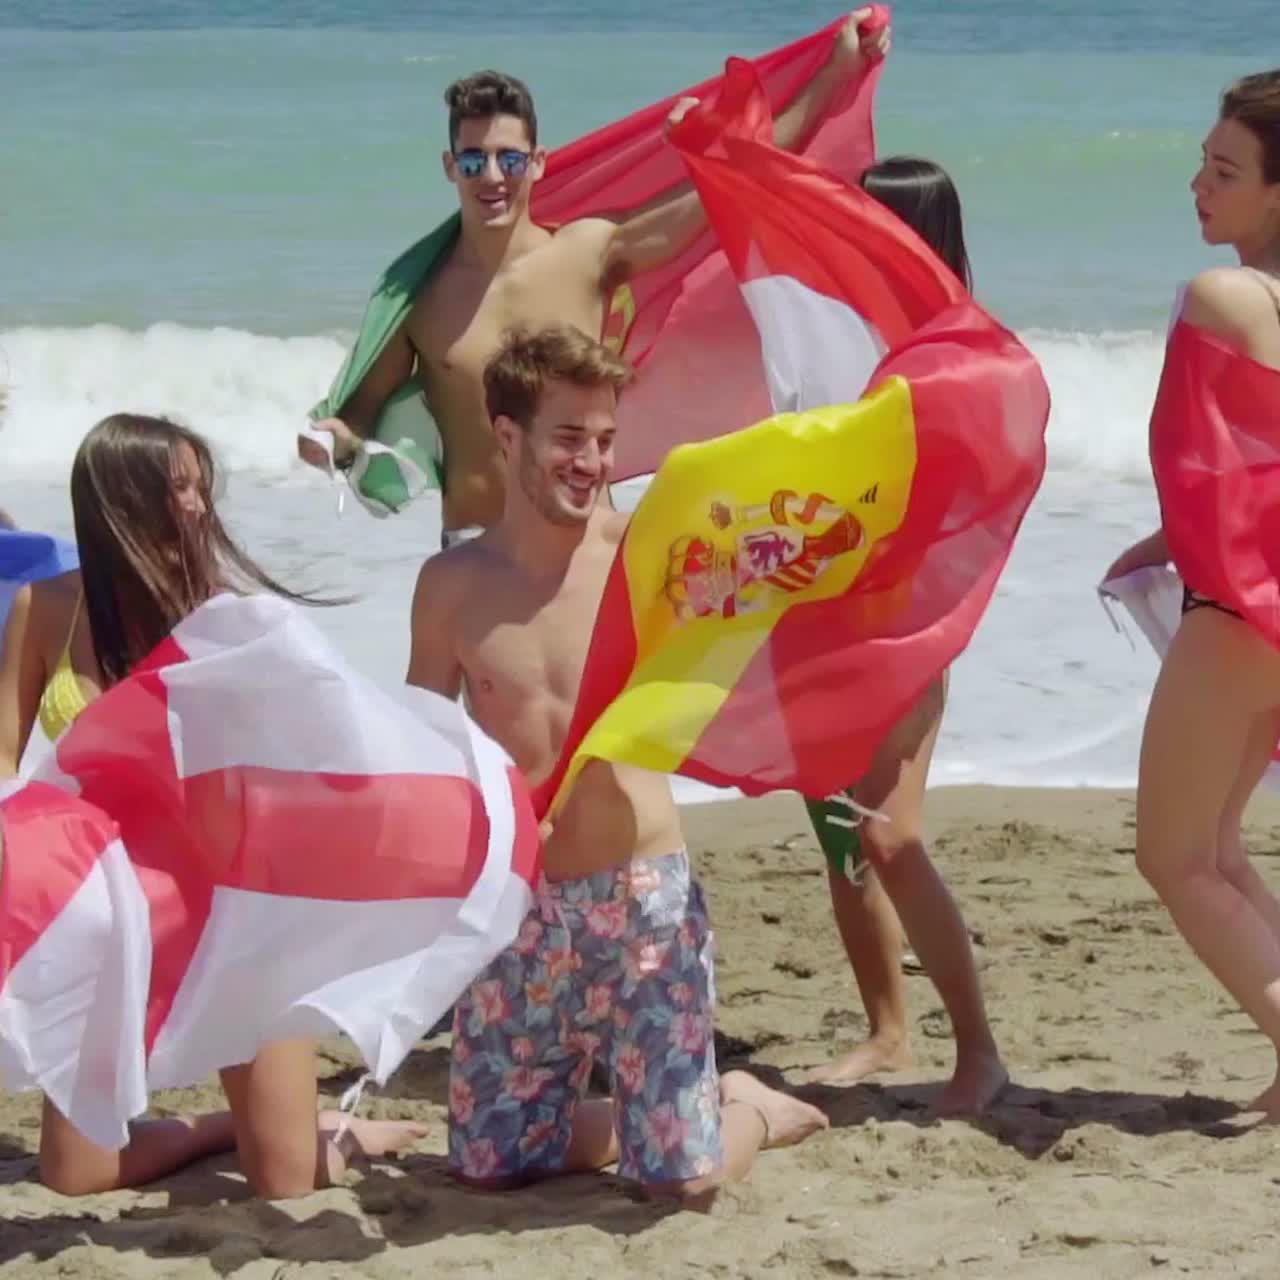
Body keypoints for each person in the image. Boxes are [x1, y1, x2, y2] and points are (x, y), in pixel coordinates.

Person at [407, 326, 829, 1200]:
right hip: (520, 912)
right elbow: (422, 753)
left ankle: (745, 1107)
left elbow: (790, 576)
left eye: (605, 440)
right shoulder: (451, 584)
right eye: (569, 437)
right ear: (508, 433)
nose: (592, 461)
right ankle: (687, 1107)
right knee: (489, 1171)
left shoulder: (656, 560)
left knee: (680, 1187)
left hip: (644, 902)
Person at [0, 413, 426, 1196]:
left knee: (289, 1180)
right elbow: (3, 761)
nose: (198, 507)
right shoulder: (46, 609)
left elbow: (307, 757)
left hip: (229, 910)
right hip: (111, 916)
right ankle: (221, 1128)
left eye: (200, 487)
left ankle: (323, 1133)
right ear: (117, 503)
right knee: (72, 1173)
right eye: (177, 489)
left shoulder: (224, 619)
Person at [303, 10, 890, 545]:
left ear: (536, 163)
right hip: (477, 551)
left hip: (586, 546)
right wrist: (339, 442)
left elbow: (729, 186)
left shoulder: (590, 252)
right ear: (450, 168)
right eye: (473, 159)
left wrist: (832, 77)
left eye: (509, 159)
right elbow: (362, 409)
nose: (492, 176)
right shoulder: (419, 297)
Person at [799, 157, 1008, 1117]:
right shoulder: (851, 333)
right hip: (831, 608)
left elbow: (963, 495)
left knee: (887, 831)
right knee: (847, 828)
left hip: (908, 623)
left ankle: (976, 1053)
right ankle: (888, 1029)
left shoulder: (952, 350)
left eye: (864, 224)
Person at [1104, 71, 1280, 1115]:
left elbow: (1192, 462)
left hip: (1238, 613)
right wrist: (1167, 535)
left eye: (1222, 172)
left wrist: (1175, 551)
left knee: (1171, 853)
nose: (1195, 186)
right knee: (1216, 847)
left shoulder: (1222, 297)